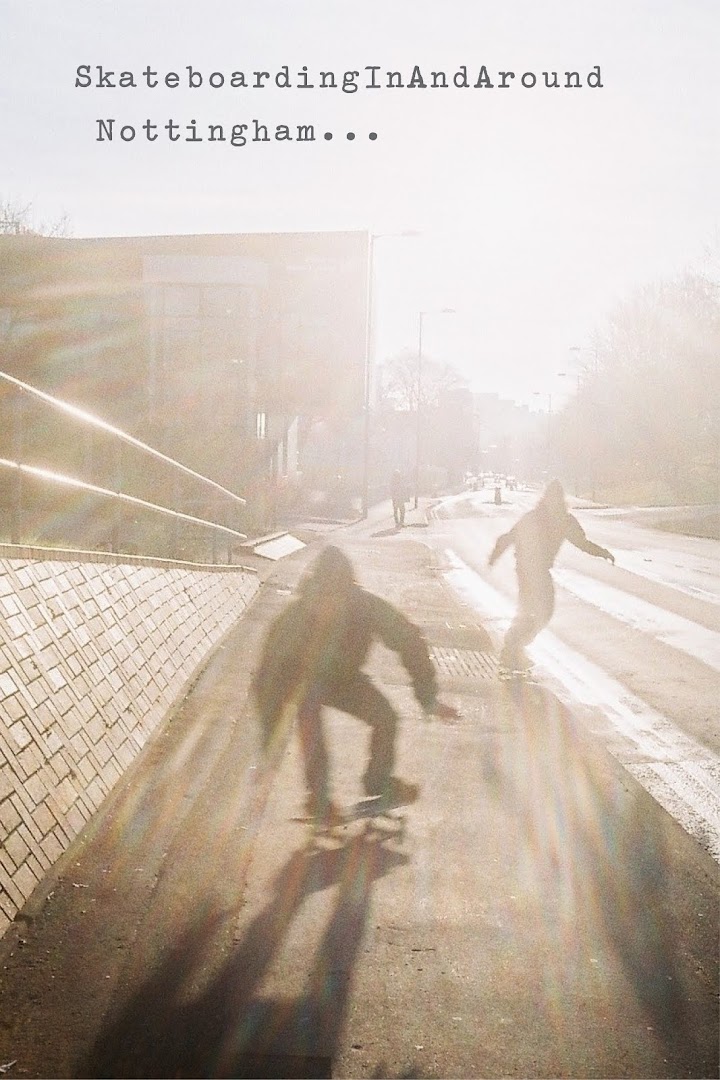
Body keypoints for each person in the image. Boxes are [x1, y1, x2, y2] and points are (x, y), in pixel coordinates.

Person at [252, 545, 458, 821]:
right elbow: (266, 679)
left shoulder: (365, 606)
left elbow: (409, 642)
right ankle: (320, 798)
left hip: (344, 680)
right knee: (309, 722)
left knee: (385, 717)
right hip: (300, 681)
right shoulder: (293, 619)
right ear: (313, 592)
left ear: (349, 592)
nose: (329, 608)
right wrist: (270, 745)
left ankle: (377, 781)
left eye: (337, 598)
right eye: (322, 599)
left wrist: (427, 697)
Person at [488, 479, 615, 671]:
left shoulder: (565, 520)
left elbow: (582, 543)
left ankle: (514, 649)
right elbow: (508, 537)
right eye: (551, 498)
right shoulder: (534, 518)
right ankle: (512, 649)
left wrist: (602, 552)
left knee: (539, 612)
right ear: (546, 498)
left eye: (556, 499)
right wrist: (494, 557)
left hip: (537, 570)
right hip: (527, 569)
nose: (554, 502)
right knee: (535, 610)